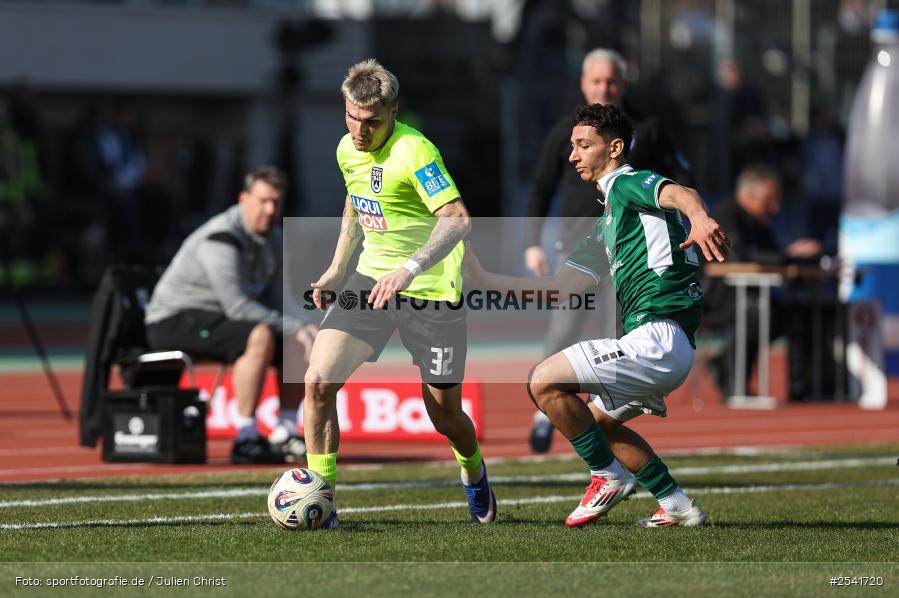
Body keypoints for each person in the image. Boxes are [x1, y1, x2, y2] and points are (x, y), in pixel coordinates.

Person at [464, 103, 729, 527]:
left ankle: (607, 476)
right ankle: (677, 505)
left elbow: (679, 192)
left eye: (583, 145)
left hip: (656, 340)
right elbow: (558, 291)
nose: (573, 156)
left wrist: (699, 217)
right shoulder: (606, 222)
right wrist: (483, 279)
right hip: (661, 342)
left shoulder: (626, 183)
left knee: (543, 382)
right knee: (597, 421)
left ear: (615, 147)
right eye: (572, 146)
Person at [303, 59, 495, 528]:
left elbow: (457, 218)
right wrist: (335, 269)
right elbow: (355, 200)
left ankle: (473, 471)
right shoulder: (347, 148)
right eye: (352, 118)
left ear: (394, 111)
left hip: (431, 290)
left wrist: (409, 270)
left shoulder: (416, 152)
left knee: (444, 416)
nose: (360, 131)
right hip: (370, 281)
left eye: (372, 122)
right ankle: (320, 501)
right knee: (318, 382)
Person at [525, 48, 691, 453]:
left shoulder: (648, 129)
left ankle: (611, 420)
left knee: (629, 336)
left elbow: (679, 180)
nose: (604, 88)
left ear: (623, 84)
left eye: (611, 81)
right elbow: (541, 189)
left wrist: (692, 217)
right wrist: (532, 242)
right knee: (564, 328)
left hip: (632, 253)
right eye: (596, 81)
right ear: (584, 85)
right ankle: (546, 411)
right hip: (582, 245)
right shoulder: (568, 131)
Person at [145, 166, 317, 464]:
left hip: (221, 320)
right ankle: (245, 437)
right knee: (260, 333)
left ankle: (284, 432)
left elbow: (280, 300)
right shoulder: (221, 237)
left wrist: (306, 328)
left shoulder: (273, 237)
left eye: (276, 202)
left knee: (297, 336)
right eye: (263, 201)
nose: (270, 209)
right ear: (243, 199)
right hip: (173, 320)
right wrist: (295, 327)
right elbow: (237, 307)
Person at [702, 165, 823, 397]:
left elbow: (773, 256)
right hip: (716, 298)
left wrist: (794, 256)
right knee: (764, 315)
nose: (775, 208)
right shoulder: (726, 215)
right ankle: (730, 373)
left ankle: (731, 370)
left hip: (747, 295)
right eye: (770, 201)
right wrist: (791, 255)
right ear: (749, 195)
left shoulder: (759, 221)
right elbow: (741, 257)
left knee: (794, 313)